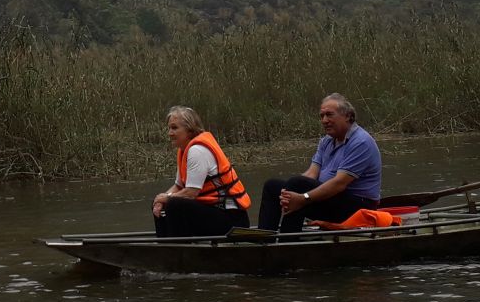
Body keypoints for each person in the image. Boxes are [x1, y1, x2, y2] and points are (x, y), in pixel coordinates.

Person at [257, 94, 382, 233]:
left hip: (358, 207)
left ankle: (289, 240)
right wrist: (287, 194)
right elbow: (311, 173)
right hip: (331, 200)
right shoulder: (327, 141)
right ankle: (263, 239)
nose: (324, 120)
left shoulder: (361, 142)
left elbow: (339, 184)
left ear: (348, 116)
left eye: (329, 115)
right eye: (322, 116)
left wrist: (303, 197)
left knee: (298, 185)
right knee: (273, 186)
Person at [151, 106, 252, 237]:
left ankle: (179, 250)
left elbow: (191, 193)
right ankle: (166, 245)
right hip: (212, 213)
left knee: (174, 204)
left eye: (175, 128)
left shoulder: (197, 150)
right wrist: (160, 200)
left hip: (231, 219)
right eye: (169, 128)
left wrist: (167, 198)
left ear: (189, 129)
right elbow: (178, 186)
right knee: (159, 203)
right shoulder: (184, 150)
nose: (170, 133)